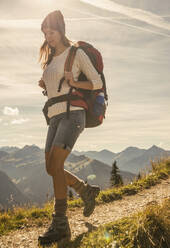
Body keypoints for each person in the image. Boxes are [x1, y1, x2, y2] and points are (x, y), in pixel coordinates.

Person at [38, 10, 103, 246]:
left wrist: (74, 82)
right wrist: (46, 83)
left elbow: (96, 81)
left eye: (52, 31)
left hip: (73, 115)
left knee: (55, 165)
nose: (48, 36)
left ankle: (60, 224)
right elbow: (56, 85)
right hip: (55, 117)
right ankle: (85, 191)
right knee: (50, 167)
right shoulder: (52, 56)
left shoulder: (75, 53)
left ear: (61, 30)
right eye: (45, 32)